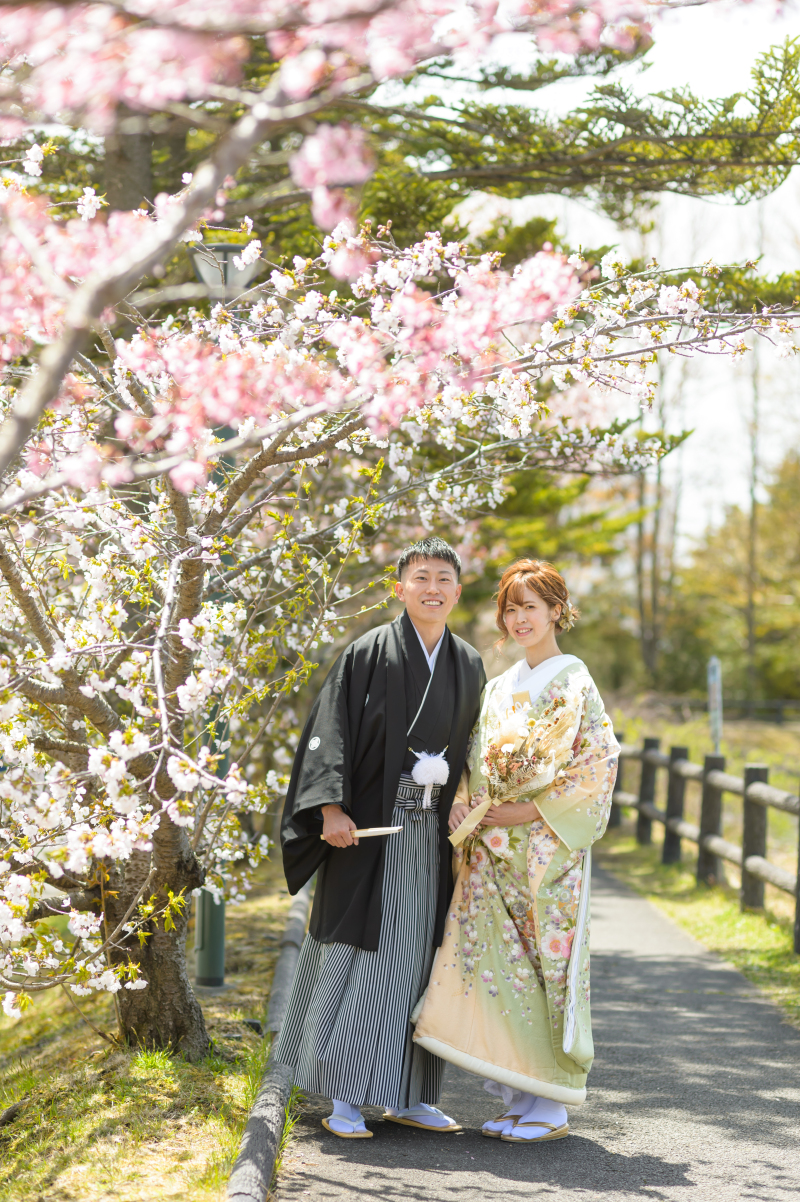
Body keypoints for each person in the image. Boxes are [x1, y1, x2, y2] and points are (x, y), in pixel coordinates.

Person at [275, 537, 486, 1138]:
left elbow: (475, 748)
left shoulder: (467, 662)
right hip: (369, 830)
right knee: (366, 954)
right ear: (400, 587)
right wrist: (331, 809)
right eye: (421, 577)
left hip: (431, 831)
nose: (433, 588)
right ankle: (345, 1096)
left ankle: (411, 1094)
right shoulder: (368, 652)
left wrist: (469, 798)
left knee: (421, 956)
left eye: (444, 578)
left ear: (457, 591)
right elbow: (330, 730)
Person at [414, 558, 618, 1143]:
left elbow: (596, 764)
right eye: (511, 607)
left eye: (531, 605)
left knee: (540, 964)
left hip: (544, 848)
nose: (520, 618)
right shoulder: (500, 685)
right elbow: (473, 759)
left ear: (557, 609)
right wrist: (462, 799)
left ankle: (549, 1104)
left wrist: (530, 809)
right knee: (493, 966)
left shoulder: (572, 677)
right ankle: (515, 1094)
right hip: (490, 844)